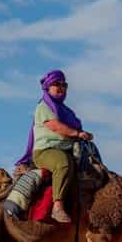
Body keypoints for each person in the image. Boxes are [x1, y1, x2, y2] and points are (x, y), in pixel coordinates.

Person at [15, 70, 93, 223]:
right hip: (46, 151)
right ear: (48, 87)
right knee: (63, 163)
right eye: (57, 84)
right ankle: (57, 206)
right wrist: (77, 133)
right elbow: (55, 126)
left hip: (68, 149)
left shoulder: (66, 111)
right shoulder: (43, 107)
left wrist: (84, 135)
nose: (61, 87)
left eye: (64, 85)